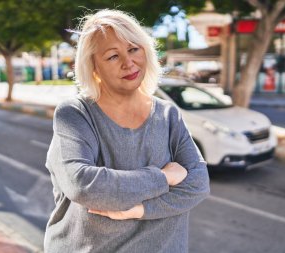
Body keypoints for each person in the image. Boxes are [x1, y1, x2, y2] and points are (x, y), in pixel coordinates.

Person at [44, 9, 210, 253]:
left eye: (134, 49)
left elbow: (198, 184)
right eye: (112, 56)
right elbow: (85, 185)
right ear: (93, 67)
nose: (128, 62)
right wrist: (164, 177)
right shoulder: (75, 113)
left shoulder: (168, 114)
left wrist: (139, 210)